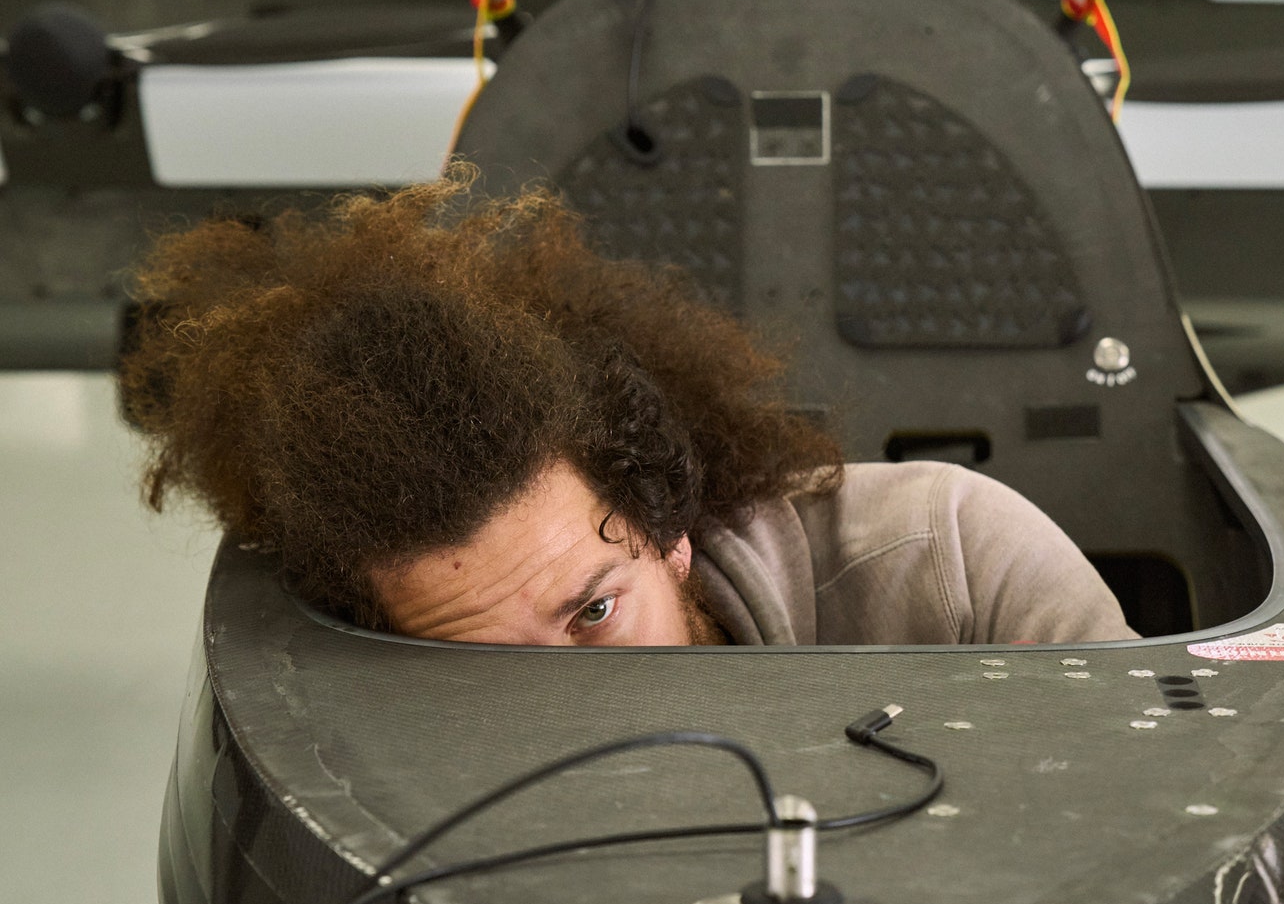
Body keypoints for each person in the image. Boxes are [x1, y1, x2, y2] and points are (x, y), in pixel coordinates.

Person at [123, 173, 1134, 648]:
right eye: (487, 668)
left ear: (668, 530)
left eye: (594, 612)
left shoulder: (955, 560)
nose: (570, 704)